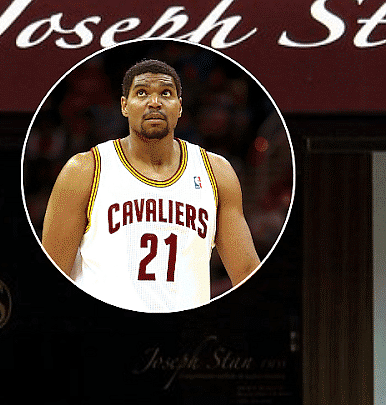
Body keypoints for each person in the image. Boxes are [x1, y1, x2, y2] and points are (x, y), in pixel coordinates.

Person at [40, 58, 261, 313]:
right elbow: (51, 281)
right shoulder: (84, 171)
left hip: (183, 344)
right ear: (124, 105)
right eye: (142, 92)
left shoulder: (216, 172)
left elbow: (246, 272)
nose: (154, 102)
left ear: (179, 107)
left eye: (165, 93)